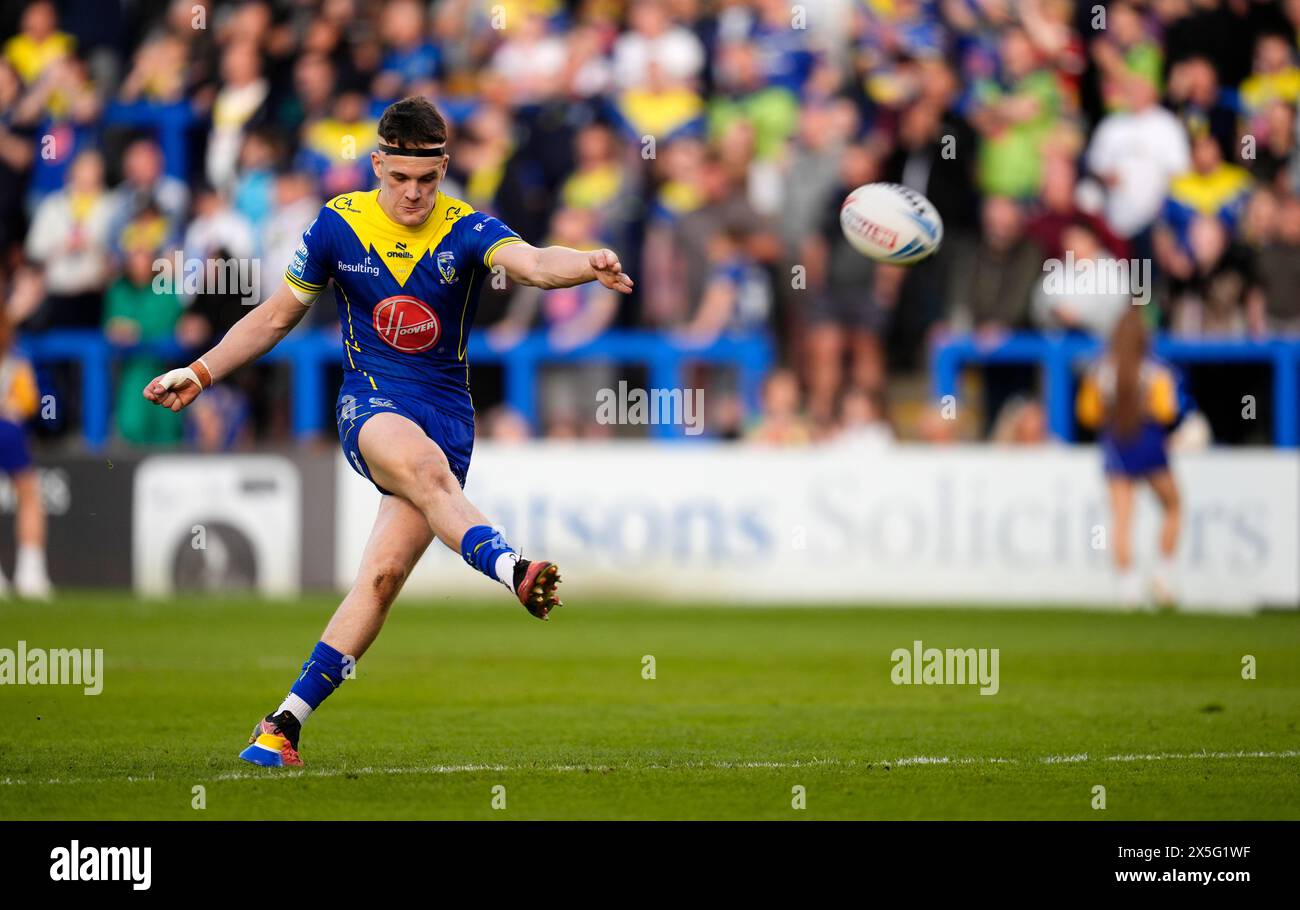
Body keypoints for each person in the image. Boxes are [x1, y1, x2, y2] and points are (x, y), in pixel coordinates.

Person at [141, 97, 634, 768]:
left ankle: (283, 726)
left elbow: (535, 263)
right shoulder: (337, 225)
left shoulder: (466, 227)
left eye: (427, 181)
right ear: (377, 163)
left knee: (381, 578)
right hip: (370, 402)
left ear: (444, 169)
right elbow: (275, 317)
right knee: (425, 473)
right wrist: (199, 372)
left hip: (449, 418)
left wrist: (589, 263)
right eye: (400, 179)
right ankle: (514, 568)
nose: (412, 194)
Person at [1076, 309, 1186, 608]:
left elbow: (1087, 414)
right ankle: (1162, 575)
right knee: (1174, 505)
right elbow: (1168, 412)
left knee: (1122, 519)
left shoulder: (1101, 370)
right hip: (1149, 443)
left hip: (1117, 443)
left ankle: (1129, 591)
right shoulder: (1156, 370)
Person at [0, 309, 52, 600]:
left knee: (28, 493)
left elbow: (30, 401)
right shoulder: (15, 355)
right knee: (29, 494)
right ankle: (30, 573)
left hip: (8, 428)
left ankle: (30, 572)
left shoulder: (15, 356)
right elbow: (29, 401)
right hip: (9, 426)